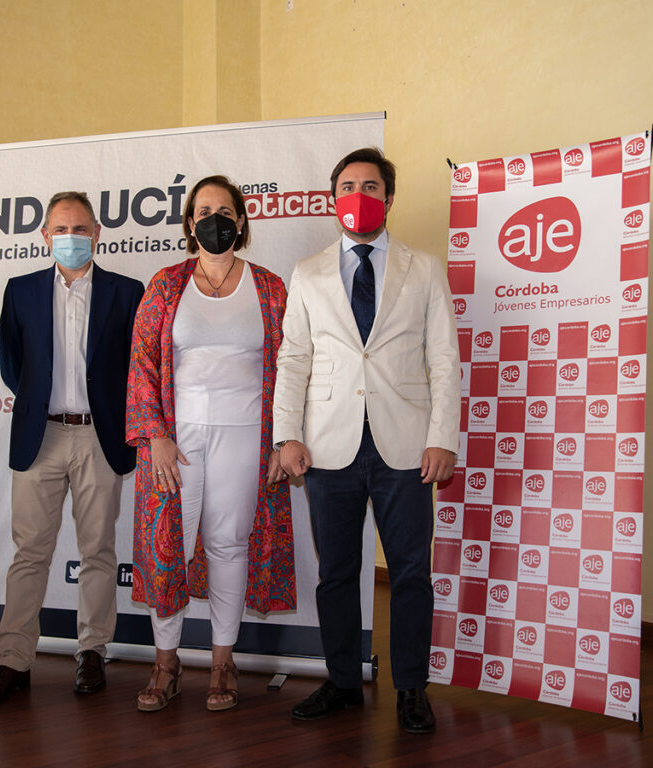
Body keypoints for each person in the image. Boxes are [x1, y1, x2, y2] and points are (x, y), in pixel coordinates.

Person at [273, 147, 460, 733]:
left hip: (406, 445)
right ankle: (342, 682)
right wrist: (287, 435)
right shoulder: (307, 273)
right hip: (329, 447)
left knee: (409, 572)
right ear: (334, 200)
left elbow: (444, 360)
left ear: (389, 197)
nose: (360, 194)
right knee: (336, 573)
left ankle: (410, 688)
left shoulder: (424, 268)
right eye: (349, 185)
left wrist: (442, 437)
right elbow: (294, 359)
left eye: (371, 185)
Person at [126, 175, 295, 712]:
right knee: (167, 547)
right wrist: (154, 435)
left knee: (229, 544)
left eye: (224, 210)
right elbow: (142, 363)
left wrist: (282, 440)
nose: (213, 218)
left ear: (241, 221)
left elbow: (292, 367)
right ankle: (166, 661)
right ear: (188, 222)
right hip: (176, 442)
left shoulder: (269, 287)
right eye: (203, 210)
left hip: (248, 438)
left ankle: (223, 661)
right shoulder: (166, 283)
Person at [0, 192, 144, 707]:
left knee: (98, 550)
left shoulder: (126, 291)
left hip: (100, 436)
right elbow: (14, 365)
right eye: (60, 230)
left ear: (97, 233)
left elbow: (135, 367)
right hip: (40, 436)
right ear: (44, 236)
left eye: (81, 229)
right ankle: (13, 660)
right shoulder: (20, 290)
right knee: (30, 553)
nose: (71, 238)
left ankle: (92, 651)